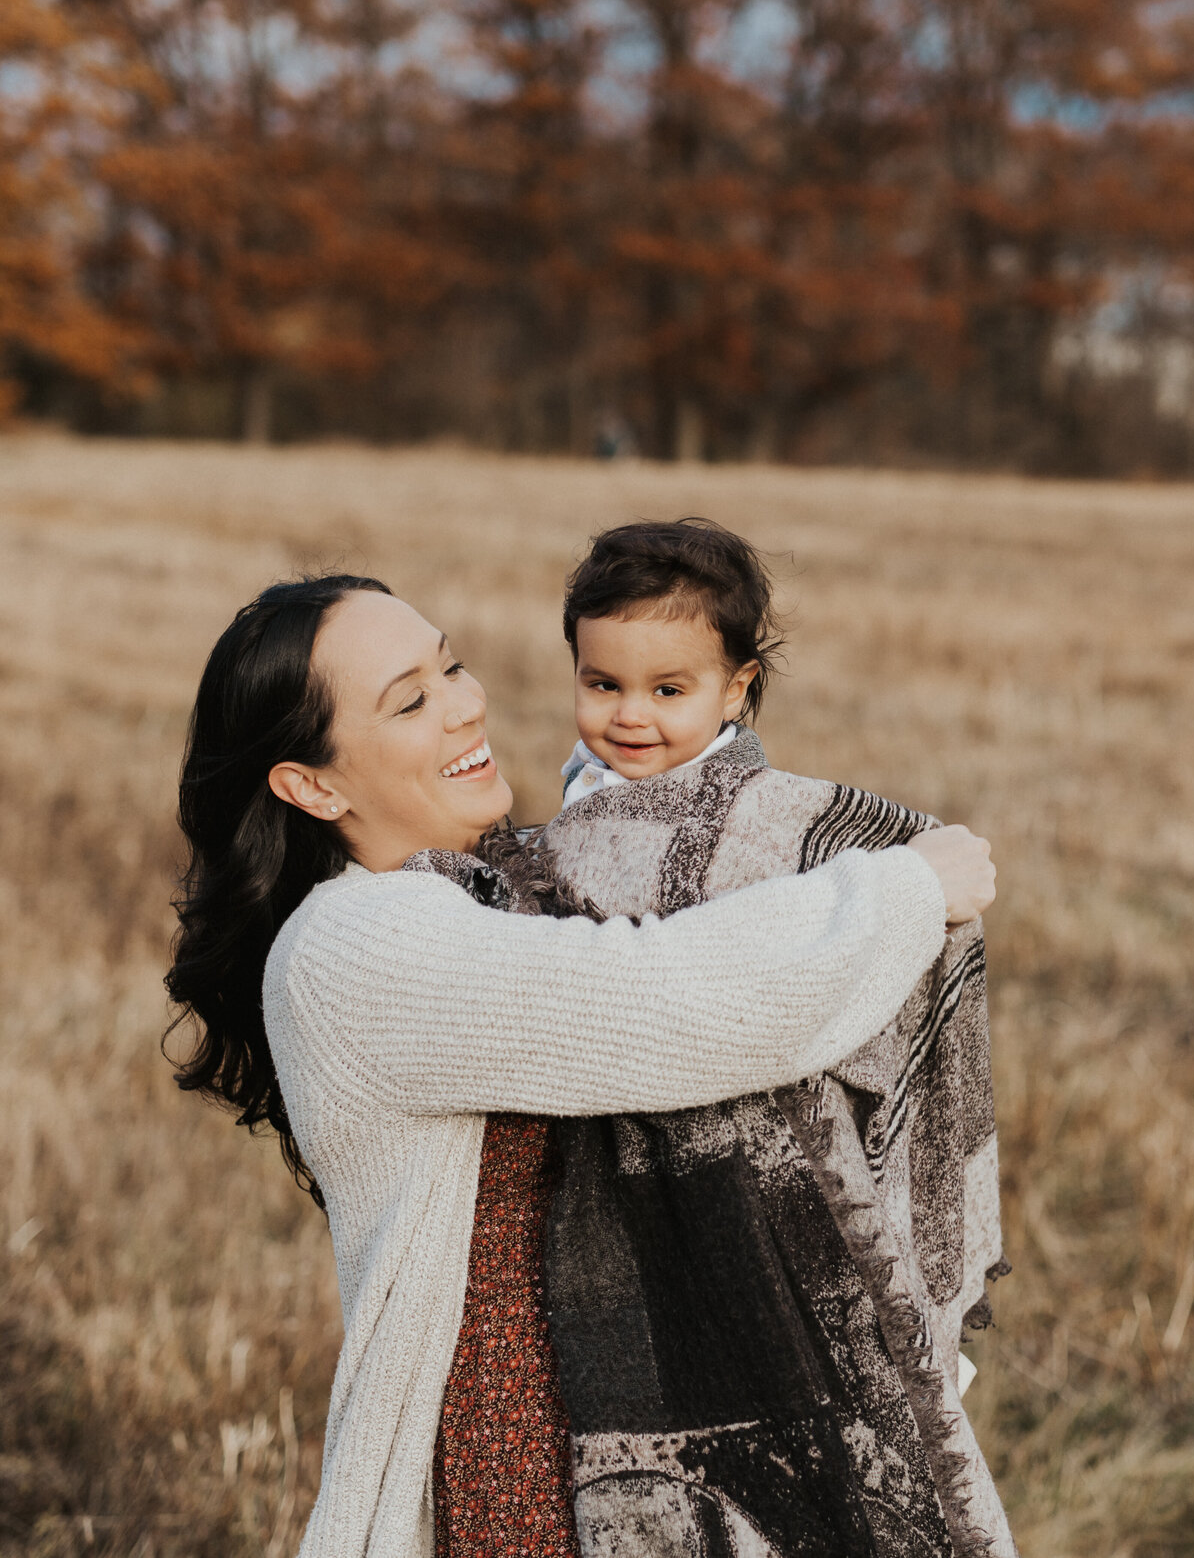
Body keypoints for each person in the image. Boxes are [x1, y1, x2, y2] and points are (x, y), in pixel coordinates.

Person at [165, 572, 996, 1558]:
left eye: (451, 664)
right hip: (526, 1466)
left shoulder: (516, 884)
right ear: (313, 783)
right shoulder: (346, 948)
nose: (466, 701)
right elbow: (659, 1000)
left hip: (673, 1440)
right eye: (411, 698)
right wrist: (897, 889)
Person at [542, 518, 1016, 1557]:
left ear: (738, 687)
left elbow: (920, 903)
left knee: (828, 1478)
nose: (629, 715)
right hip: (616, 1205)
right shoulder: (562, 825)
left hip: (782, 1195)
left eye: (669, 689)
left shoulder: (784, 824)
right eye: (602, 682)